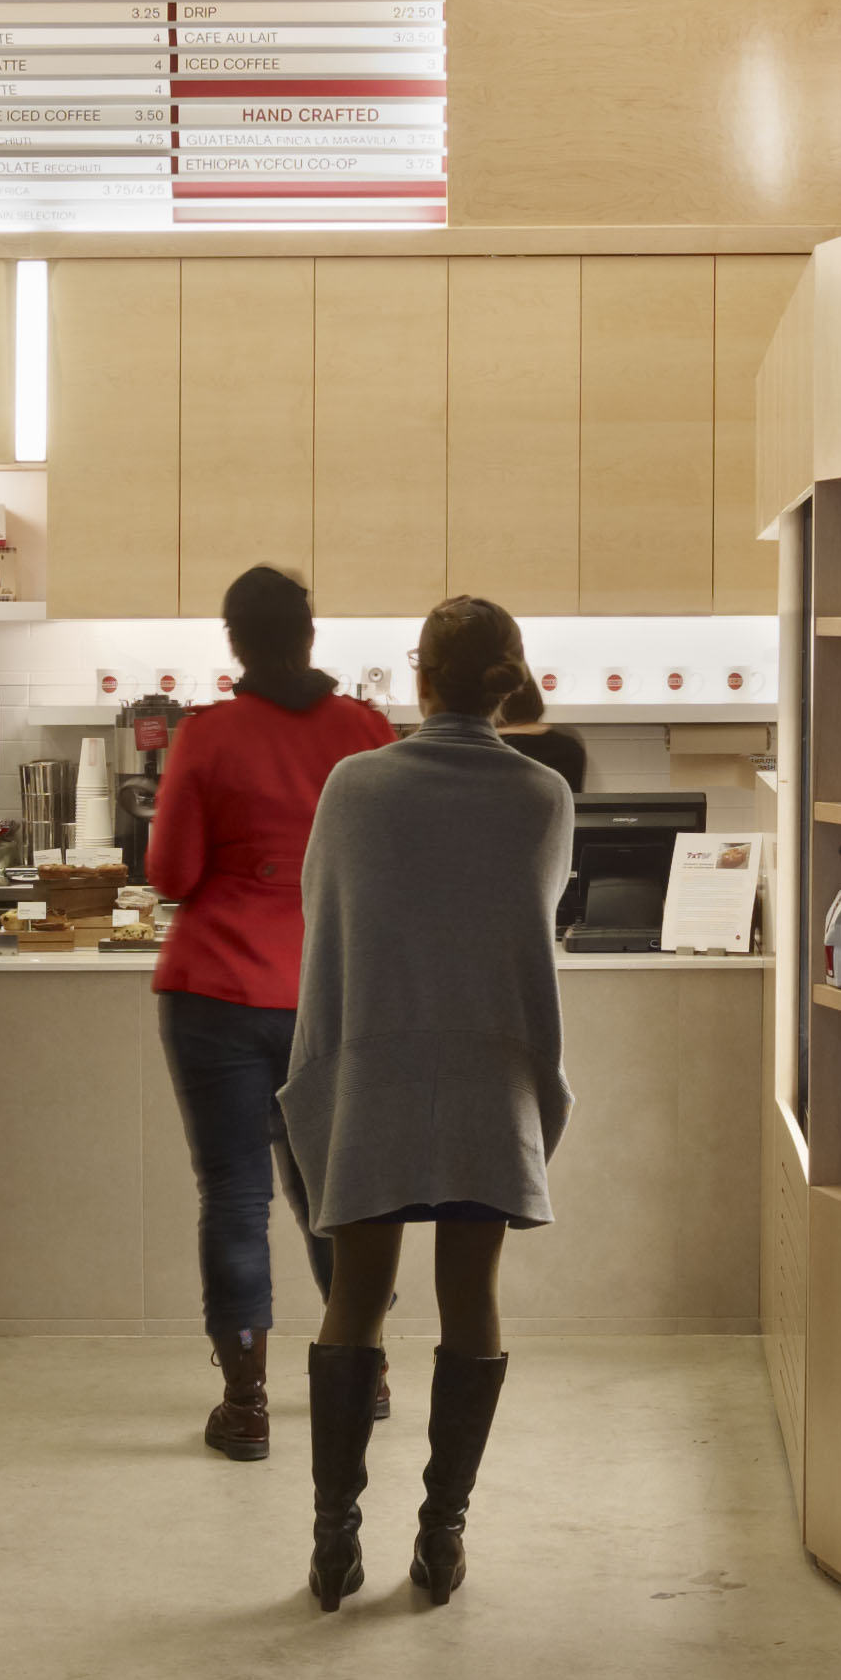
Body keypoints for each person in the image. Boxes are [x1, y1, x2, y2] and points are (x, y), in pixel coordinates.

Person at [276, 595, 574, 1612]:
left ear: (422, 677)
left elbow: (327, 921)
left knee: (352, 1298)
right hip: (485, 1079)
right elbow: (523, 925)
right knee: (469, 1298)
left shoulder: (354, 786)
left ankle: (331, 1541)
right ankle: (440, 1540)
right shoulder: (542, 795)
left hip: (373, 1071)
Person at [138, 564, 387, 1465]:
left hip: (216, 993)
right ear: (310, 635)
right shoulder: (363, 730)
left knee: (236, 1198)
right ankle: (365, 1367)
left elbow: (168, 873)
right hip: (330, 992)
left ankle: (247, 1406)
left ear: (233, 641)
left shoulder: (208, 735)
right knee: (336, 1194)